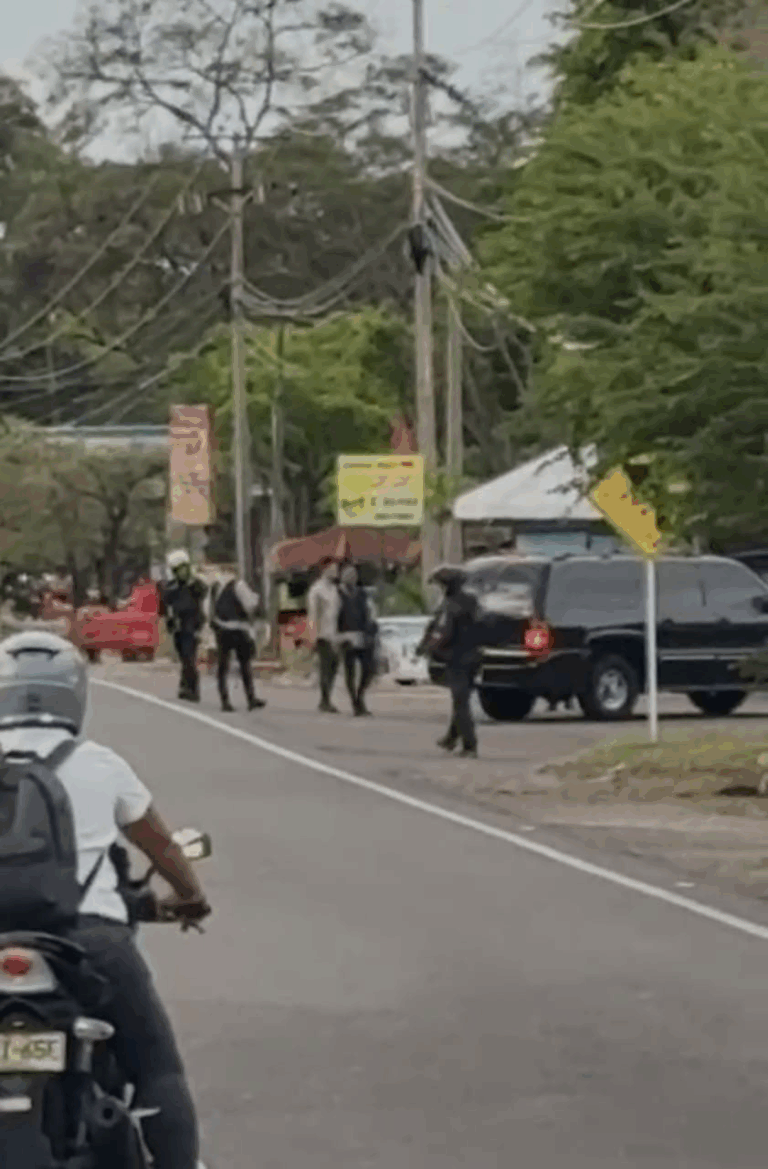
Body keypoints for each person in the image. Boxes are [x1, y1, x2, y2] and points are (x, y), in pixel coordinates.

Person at [0, 630, 211, 1169]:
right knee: (156, 1067)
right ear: (74, 695)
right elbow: (160, 846)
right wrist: (190, 897)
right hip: (91, 940)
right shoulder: (101, 763)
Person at [417, 564, 481, 758]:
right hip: (474, 656)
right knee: (461, 699)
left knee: (460, 702)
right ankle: (451, 738)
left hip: (456, 658)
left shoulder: (451, 606)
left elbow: (443, 631)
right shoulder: (472, 601)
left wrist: (427, 648)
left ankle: (470, 745)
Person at [208, 568, 266, 713]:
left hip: (221, 629)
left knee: (223, 666)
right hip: (239, 629)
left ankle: (225, 701)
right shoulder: (238, 585)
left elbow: (208, 609)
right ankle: (251, 699)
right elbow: (251, 605)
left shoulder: (214, 587)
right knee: (245, 666)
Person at [161, 550, 207, 703]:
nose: (182, 572)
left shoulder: (196, 585)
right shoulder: (171, 587)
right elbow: (165, 607)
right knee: (183, 657)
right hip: (178, 627)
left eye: (184, 568)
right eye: (179, 570)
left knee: (189, 657)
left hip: (192, 625)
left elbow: (204, 595)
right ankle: (184, 685)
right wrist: (169, 622)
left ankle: (193, 689)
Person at [336, 560, 378, 716]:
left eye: (354, 574)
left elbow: (370, 611)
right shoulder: (337, 593)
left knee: (369, 668)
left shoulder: (361, 593)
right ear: (342, 577)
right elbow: (332, 616)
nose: (351, 577)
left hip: (362, 634)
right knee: (350, 671)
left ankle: (360, 696)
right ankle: (355, 702)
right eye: (348, 575)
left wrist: (371, 629)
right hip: (345, 636)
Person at [306, 557, 341, 713]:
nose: (335, 572)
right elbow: (313, 614)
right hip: (322, 634)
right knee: (326, 667)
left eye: (336, 569)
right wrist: (312, 635)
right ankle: (325, 700)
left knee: (334, 667)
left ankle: (326, 698)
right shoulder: (317, 590)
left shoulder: (335, 589)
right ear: (324, 570)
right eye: (332, 569)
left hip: (336, 633)